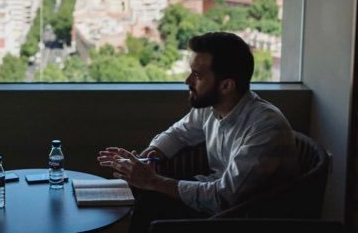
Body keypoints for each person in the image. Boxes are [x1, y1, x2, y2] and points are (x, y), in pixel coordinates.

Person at [97, 31, 299, 232]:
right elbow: (178, 134)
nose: (187, 81)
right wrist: (144, 161)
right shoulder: (212, 108)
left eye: (197, 75)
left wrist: (153, 181)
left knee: (152, 197)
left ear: (226, 85)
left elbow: (225, 197)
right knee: (148, 195)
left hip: (244, 217)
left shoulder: (266, 127)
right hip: (217, 201)